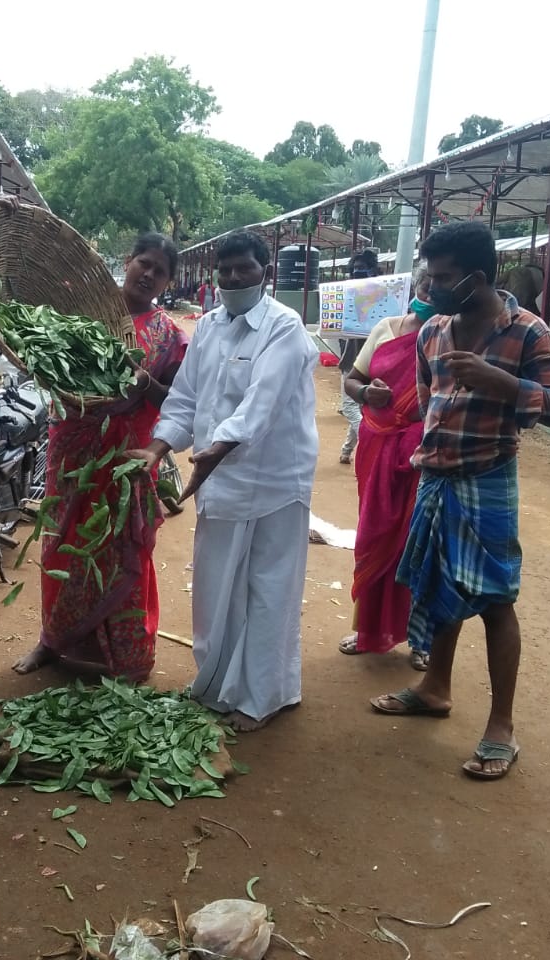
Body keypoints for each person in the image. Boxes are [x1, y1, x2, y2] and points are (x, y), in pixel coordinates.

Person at [369, 221, 550, 781]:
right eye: (428, 276)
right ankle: (434, 687)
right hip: (435, 478)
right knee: (438, 584)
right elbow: (427, 399)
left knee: (494, 599)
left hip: (488, 480)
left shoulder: (527, 332)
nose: (430, 287)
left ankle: (501, 725)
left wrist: (498, 381)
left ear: (476, 278)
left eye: (443, 277)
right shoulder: (431, 331)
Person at [127, 230, 319, 732]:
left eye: (244, 270)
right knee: (217, 586)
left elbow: (264, 399)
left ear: (266, 274)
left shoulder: (285, 328)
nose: (233, 278)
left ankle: (262, 697)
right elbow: (187, 397)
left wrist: (218, 448)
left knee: (268, 588)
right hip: (218, 481)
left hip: (275, 479)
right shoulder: (209, 326)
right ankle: (214, 685)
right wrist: (157, 447)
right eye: (225, 270)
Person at [12, 232, 188, 680]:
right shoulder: (83, 313)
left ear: (168, 282)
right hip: (72, 450)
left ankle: (127, 657)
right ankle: (52, 641)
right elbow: (22, 287)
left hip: (128, 456)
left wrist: (144, 383)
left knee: (121, 546)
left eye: (159, 271)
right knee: (61, 546)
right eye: (142, 263)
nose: (147, 275)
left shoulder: (168, 335)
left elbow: (180, 400)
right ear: (127, 261)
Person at [338, 268, 435, 670]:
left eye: (442, 287)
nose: (434, 293)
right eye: (429, 286)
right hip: (376, 445)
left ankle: (421, 639)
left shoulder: (455, 335)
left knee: (418, 541)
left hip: (423, 451)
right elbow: (352, 378)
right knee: (374, 536)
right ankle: (367, 630)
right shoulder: (386, 327)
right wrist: (365, 392)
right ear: (417, 288)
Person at [338, 249, 382, 464]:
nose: (358, 274)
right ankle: (346, 450)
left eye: (362, 271)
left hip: (367, 360)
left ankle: (369, 443)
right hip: (358, 357)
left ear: (373, 271)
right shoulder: (348, 294)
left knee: (350, 407)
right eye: (355, 271)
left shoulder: (383, 295)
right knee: (357, 405)